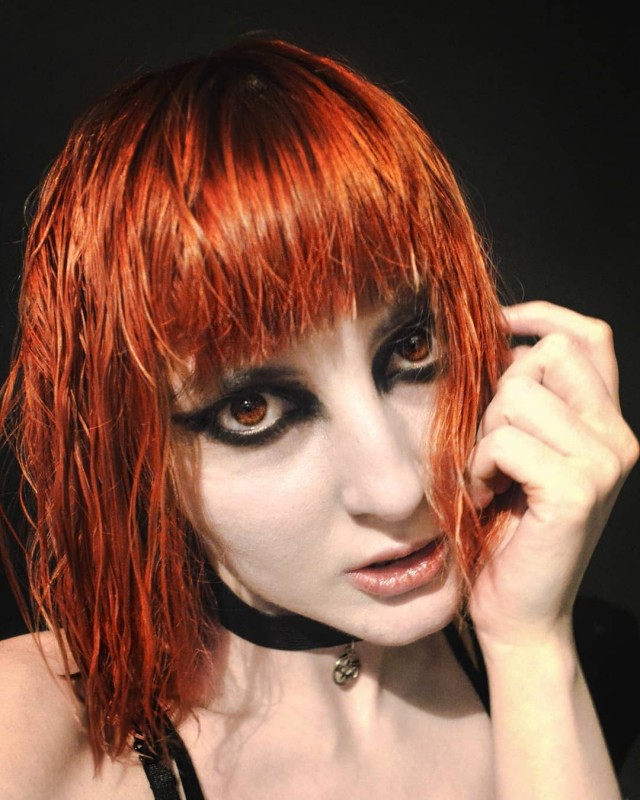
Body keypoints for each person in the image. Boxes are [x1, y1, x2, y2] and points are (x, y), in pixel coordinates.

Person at [0, 35, 637, 800]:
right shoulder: (31, 736)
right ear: (134, 449)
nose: (398, 490)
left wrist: (531, 650)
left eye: (412, 349)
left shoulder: (585, 661)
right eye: (253, 410)